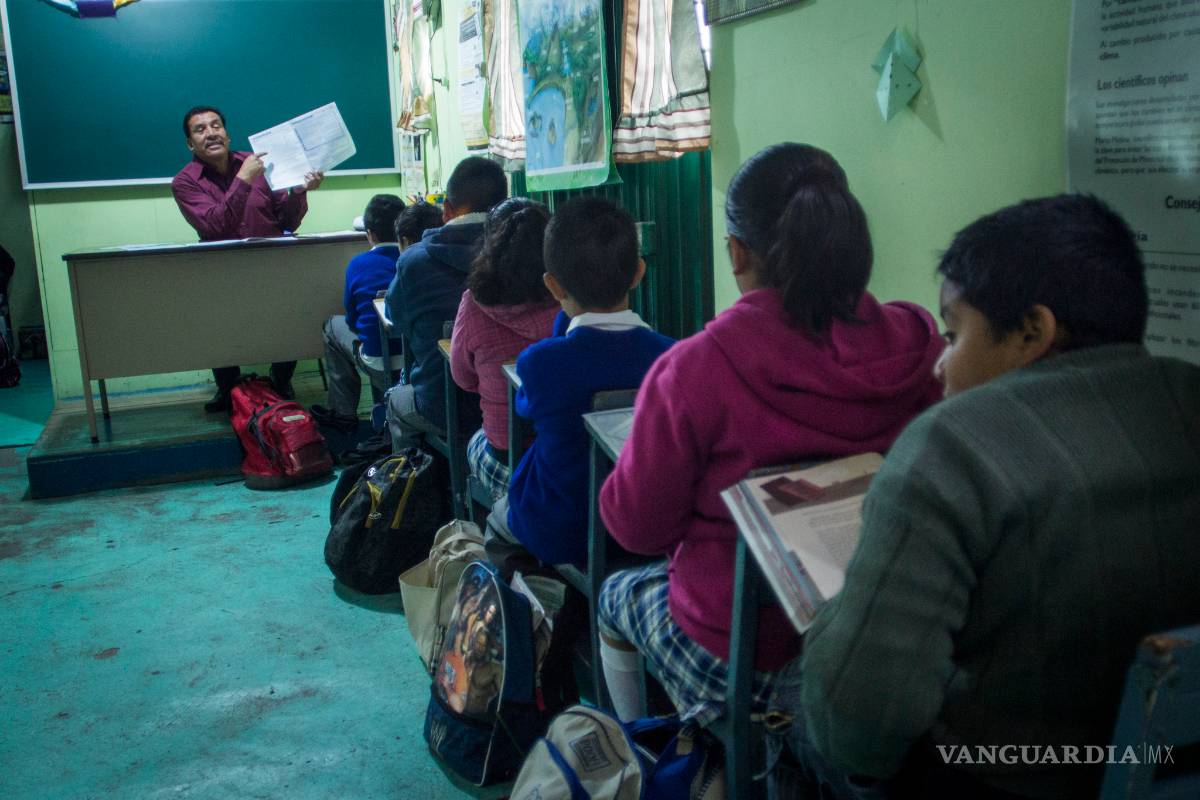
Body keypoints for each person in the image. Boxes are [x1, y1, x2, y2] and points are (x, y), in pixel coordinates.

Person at [797, 194, 1200, 799]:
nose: (940, 365)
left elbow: (862, 726)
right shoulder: (1187, 399)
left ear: (1033, 331)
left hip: (996, 778)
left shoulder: (949, 447)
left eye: (954, 334)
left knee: (791, 722)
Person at [594, 143, 944, 728]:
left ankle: (654, 749)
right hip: (883, 631)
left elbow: (636, 526)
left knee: (616, 594)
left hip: (745, 650)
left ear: (736, 252)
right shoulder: (918, 341)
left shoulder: (694, 369)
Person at [483, 197, 675, 571]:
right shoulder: (674, 358)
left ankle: (524, 616)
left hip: (559, 528)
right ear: (638, 272)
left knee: (495, 521)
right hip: (641, 531)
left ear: (553, 286)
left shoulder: (540, 363)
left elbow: (526, 408)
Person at [171, 105, 324, 412]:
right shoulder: (185, 182)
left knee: (285, 320)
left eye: (216, 126)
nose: (211, 133)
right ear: (190, 143)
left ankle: (281, 381)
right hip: (221, 269)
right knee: (220, 328)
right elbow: (215, 225)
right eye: (200, 130)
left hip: (270, 263)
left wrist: (297, 192)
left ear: (227, 134)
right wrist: (243, 179)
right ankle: (229, 390)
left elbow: (288, 222)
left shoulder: (259, 165)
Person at [385, 156, 507, 450]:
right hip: (515, 406)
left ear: (447, 210)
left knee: (394, 400)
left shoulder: (414, 261)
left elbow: (394, 319)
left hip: (441, 403)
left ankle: (411, 482)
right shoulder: (521, 256)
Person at [449, 197, 560, 500]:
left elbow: (463, 378)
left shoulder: (474, 302)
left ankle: (492, 527)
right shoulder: (567, 296)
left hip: (506, 459)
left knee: (474, 440)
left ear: (489, 244)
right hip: (562, 456)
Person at [314, 194, 407, 429]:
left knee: (331, 326)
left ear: (370, 233)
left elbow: (353, 320)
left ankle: (343, 412)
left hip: (378, 363)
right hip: (414, 363)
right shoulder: (414, 259)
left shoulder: (358, 264)